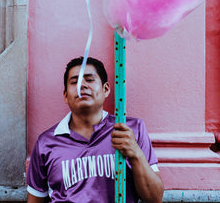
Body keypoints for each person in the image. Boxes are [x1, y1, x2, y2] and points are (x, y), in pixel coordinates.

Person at [26, 57, 164, 203]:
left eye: (90, 80)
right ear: (66, 96)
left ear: (106, 89)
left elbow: (154, 199)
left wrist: (135, 153)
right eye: (74, 82)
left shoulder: (130, 130)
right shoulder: (46, 142)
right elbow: (35, 200)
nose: (82, 85)